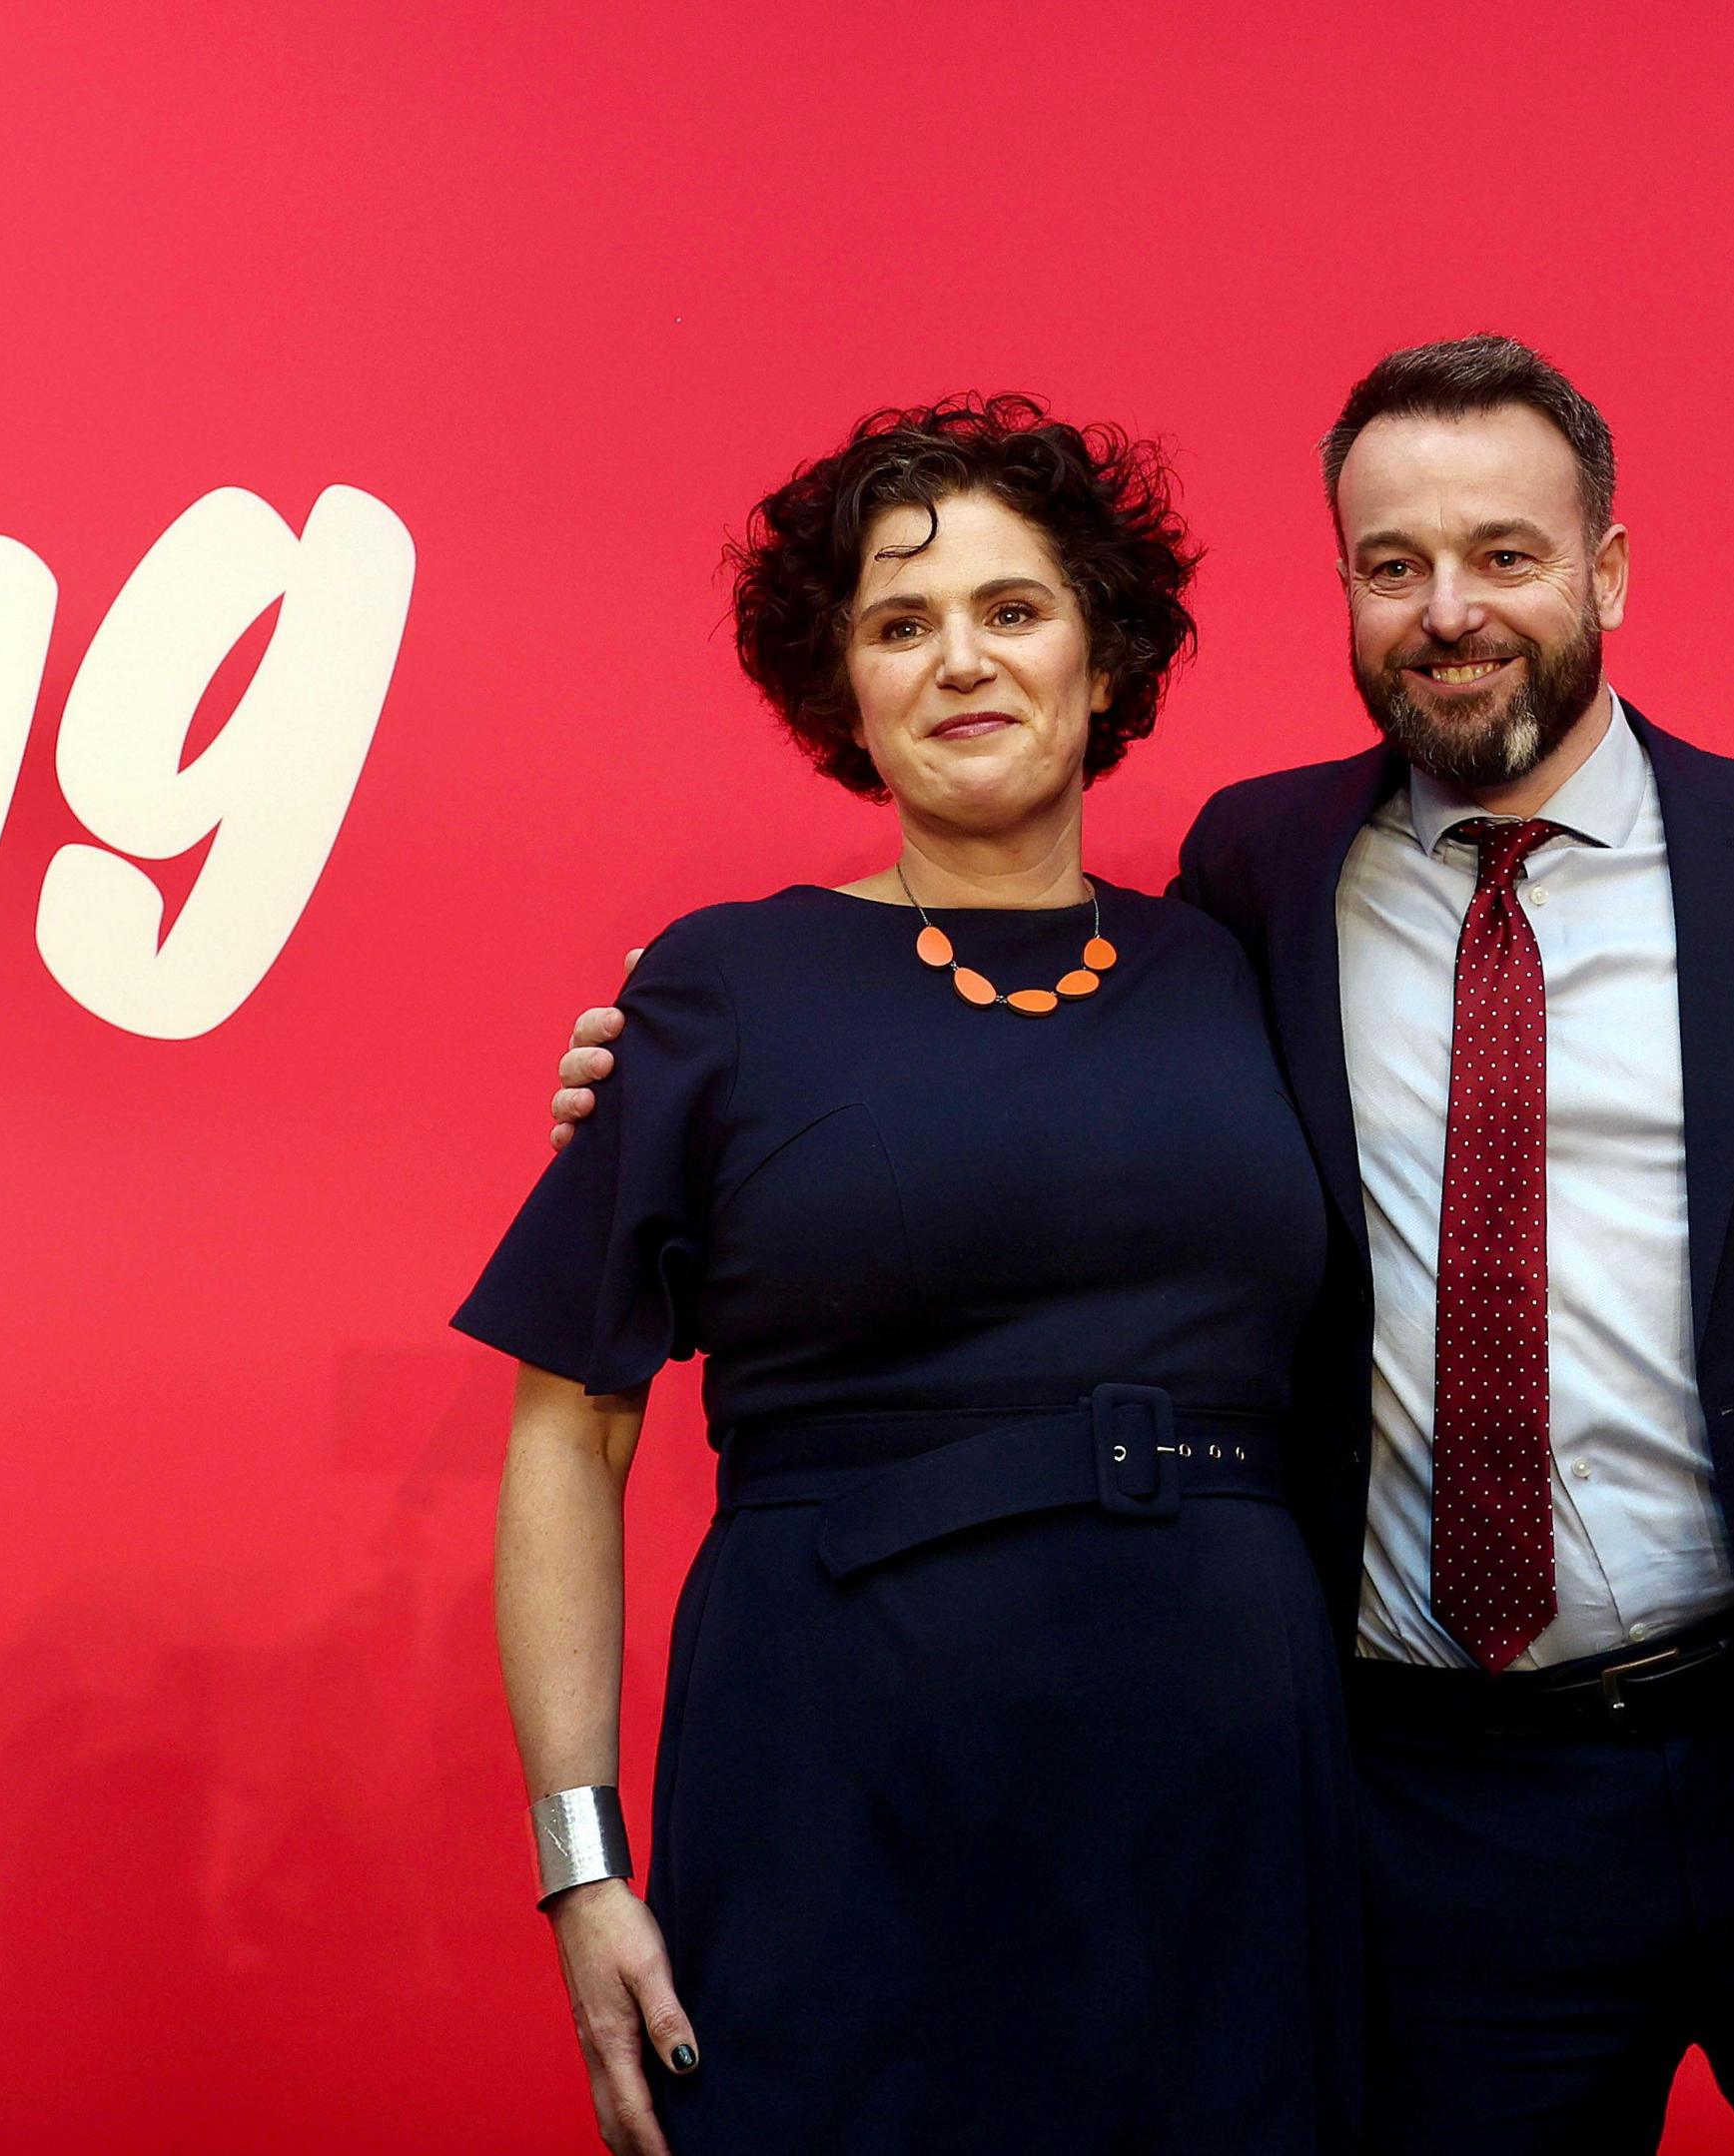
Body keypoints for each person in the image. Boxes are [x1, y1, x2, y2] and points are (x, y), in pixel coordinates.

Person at [554, 336, 1734, 2153]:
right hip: (1436, 1804)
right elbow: (1012, 1059)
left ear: (1606, 569)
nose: (1451, 610)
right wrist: (667, 1065)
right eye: (1392, 565)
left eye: (1506, 555)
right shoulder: (1259, 878)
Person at [461, 395, 1357, 2156]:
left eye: (1014, 609)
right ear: (844, 692)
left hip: (1227, 1791)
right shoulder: (720, 988)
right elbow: (568, 1435)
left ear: (1106, 657)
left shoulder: (1245, 963)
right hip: (838, 1783)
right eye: (899, 622)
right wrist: (582, 1868)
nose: (962, 660)